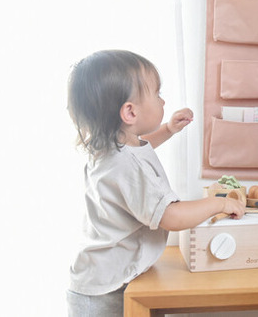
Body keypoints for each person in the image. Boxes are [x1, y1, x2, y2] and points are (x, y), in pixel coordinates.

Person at [66, 50, 245, 317]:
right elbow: (171, 216)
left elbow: (140, 148)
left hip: (100, 278)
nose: (163, 100)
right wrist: (218, 203)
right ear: (130, 112)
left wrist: (168, 129)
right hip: (108, 291)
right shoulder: (126, 165)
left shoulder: (112, 148)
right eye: (157, 94)